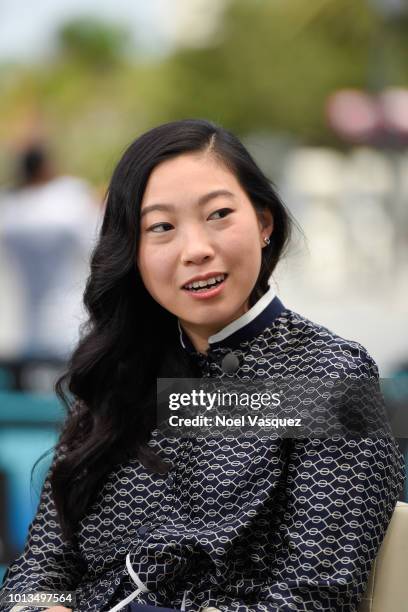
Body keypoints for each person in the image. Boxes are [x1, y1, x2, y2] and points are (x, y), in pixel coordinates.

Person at [0, 119, 404, 612]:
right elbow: (42, 561)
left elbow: (312, 595)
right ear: (135, 252)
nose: (196, 250)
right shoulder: (122, 372)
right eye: (162, 227)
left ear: (263, 222)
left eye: (218, 215)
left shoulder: (328, 376)